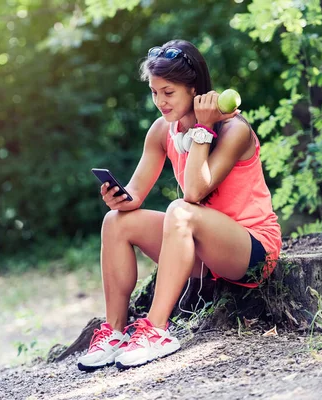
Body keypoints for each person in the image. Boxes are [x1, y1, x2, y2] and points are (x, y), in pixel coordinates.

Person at [77, 39, 282, 371]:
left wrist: (202, 128)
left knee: (180, 210)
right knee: (116, 221)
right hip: (203, 253)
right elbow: (135, 194)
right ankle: (114, 332)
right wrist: (118, 197)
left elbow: (193, 191)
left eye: (168, 92)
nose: (160, 101)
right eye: (155, 92)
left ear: (194, 89)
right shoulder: (162, 131)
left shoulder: (234, 129)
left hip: (251, 249)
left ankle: (156, 330)